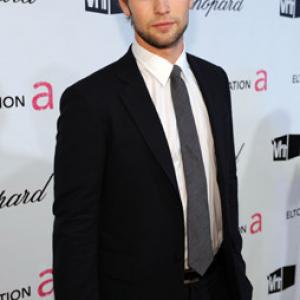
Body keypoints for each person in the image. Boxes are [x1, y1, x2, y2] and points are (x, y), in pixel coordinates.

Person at [52, 0, 253, 299]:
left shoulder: (215, 81)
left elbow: (224, 189)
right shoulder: (91, 101)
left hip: (220, 286)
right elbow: (75, 232)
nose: (162, 7)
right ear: (124, 5)